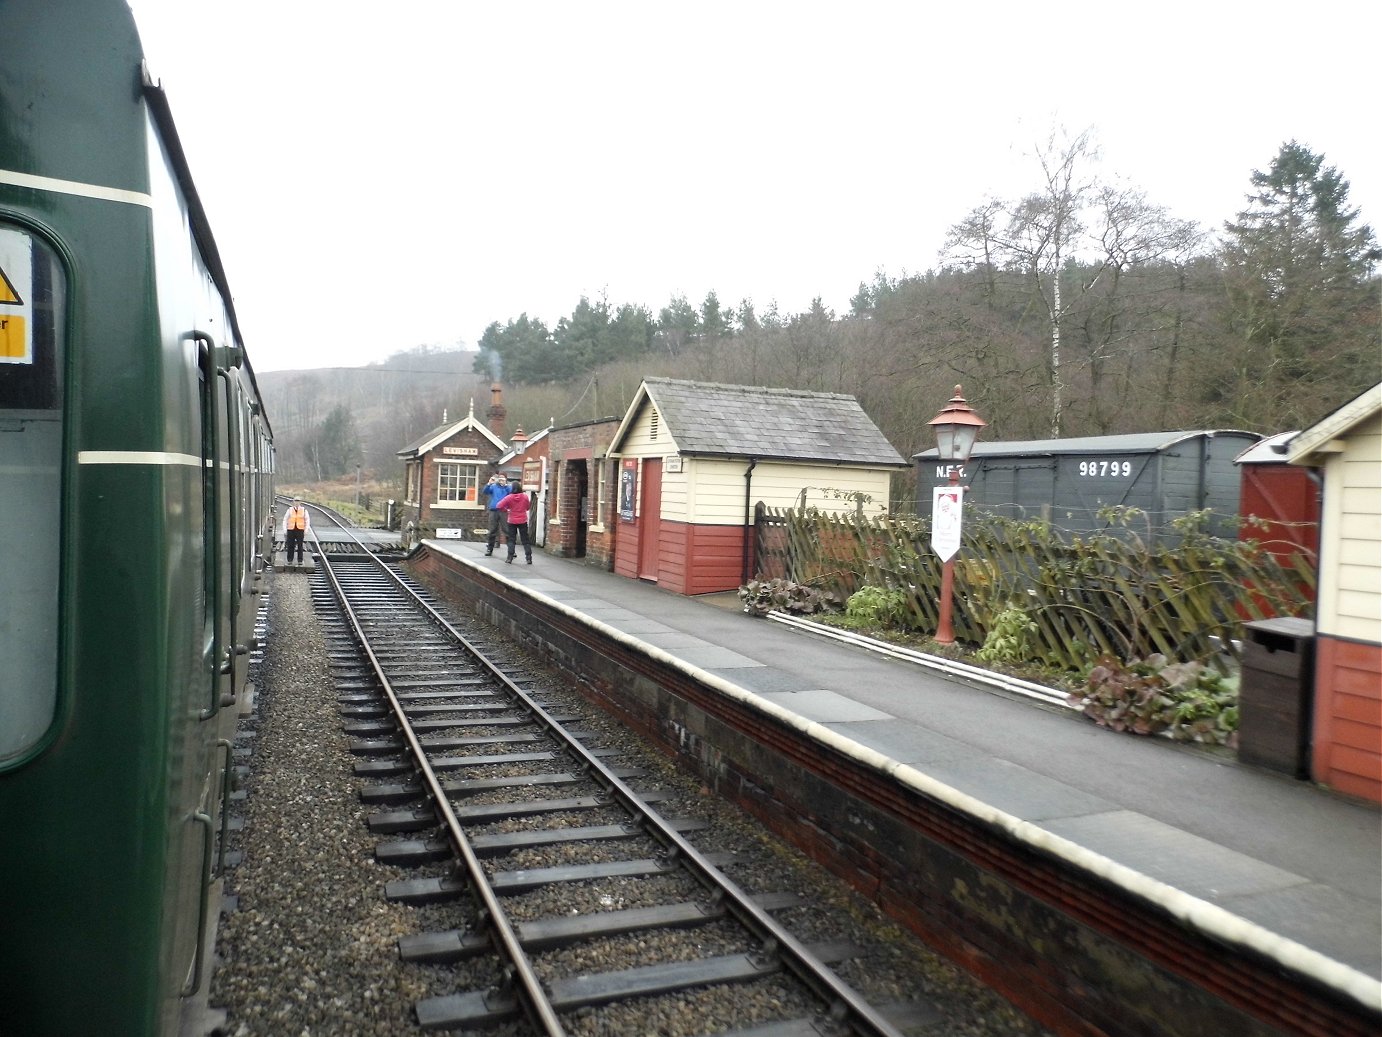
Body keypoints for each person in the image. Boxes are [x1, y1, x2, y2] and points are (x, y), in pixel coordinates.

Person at [495, 482, 533, 564]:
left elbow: (498, 505)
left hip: (512, 520)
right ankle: (528, 558)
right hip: (522, 520)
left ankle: (509, 558)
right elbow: (527, 507)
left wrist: (506, 510)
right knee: (525, 540)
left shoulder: (509, 497)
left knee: (511, 540)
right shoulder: (525, 497)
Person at [480, 472, 509, 556]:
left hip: (503, 511)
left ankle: (511, 550)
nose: (500, 480)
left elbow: (512, 493)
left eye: (502, 479)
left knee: (506, 531)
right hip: (494, 510)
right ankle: (490, 549)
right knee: (492, 530)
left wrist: (505, 485)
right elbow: (485, 491)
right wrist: (489, 483)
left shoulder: (507, 488)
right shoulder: (493, 487)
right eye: (499, 478)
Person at [283, 499, 309, 566]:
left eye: (298, 501)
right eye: (295, 501)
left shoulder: (304, 510)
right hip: (291, 530)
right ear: (293, 502)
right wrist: (285, 529)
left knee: (300, 546)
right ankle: (289, 560)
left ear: (300, 502)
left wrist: (306, 530)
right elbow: (285, 519)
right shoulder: (290, 510)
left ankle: (300, 560)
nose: (297, 503)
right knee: (290, 545)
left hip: (300, 530)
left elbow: (307, 520)